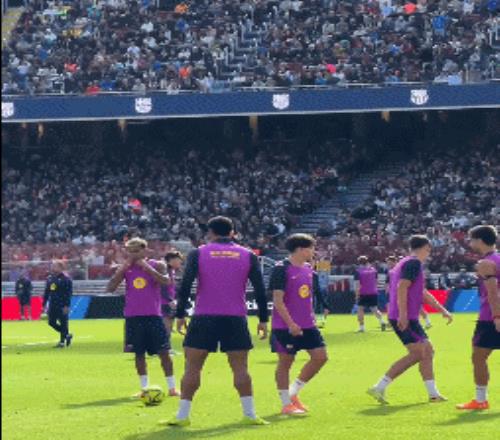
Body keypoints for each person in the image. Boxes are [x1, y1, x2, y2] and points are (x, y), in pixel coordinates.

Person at [167, 216, 269, 427]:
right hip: (235, 317)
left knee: (192, 367)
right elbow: (260, 288)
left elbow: (186, 285)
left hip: (204, 316)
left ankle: (182, 416)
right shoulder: (248, 254)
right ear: (232, 232)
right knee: (240, 367)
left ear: (210, 232)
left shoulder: (199, 253)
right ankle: (250, 415)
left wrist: (180, 314)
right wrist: (263, 319)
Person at [367, 235, 453, 404]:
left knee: (427, 351)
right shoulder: (413, 263)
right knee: (419, 353)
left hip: (408, 316)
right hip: (404, 316)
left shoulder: (405, 263)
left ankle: (433, 394)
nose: (429, 253)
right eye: (429, 249)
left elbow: (422, 292)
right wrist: (403, 315)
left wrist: (442, 310)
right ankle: (380, 386)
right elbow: (402, 287)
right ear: (425, 247)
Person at [107, 238, 180, 398]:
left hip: (153, 316)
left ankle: (172, 388)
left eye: (136, 251)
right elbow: (110, 288)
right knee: (138, 354)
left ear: (145, 250)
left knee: (164, 352)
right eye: (130, 251)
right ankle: (144, 388)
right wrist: (122, 269)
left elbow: (166, 281)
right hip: (133, 316)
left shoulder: (157, 264)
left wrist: (147, 268)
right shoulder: (126, 268)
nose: (133, 254)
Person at [269, 234, 329, 415]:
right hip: (285, 326)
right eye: (311, 248)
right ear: (301, 249)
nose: (313, 252)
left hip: (308, 325)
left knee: (320, 357)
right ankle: (286, 403)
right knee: (285, 362)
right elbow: (278, 301)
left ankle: (293, 392)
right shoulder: (281, 269)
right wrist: (291, 323)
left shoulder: (309, 269)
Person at [457, 225, 500, 410]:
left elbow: (492, 291)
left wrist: (497, 316)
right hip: (492, 315)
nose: (470, 243)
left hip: (490, 317)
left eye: (472, 239)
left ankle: (481, 400)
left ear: (480, 240)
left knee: (478, 357)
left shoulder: (486, 263)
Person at [42, 260, 73, 348]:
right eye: (52, 266)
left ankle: (62, 342)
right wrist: (44, 304)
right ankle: (67, 335)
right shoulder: (50, 278)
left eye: (54, 266)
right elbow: (47, 292)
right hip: (53, 304)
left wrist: (67, 305)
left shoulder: (66, 279)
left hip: (62, 304)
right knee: (51, 322)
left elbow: (68, 293)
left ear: (61, 268)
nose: (52, 267)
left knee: (63, 322)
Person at [354, 256, 387, 332]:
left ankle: (362, 327)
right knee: (374, 309)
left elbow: (357, 285)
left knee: (360, 309)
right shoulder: (373, 270)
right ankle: (382, 321)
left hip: (363, 293)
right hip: (373, 292)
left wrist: (356, 295)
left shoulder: (358, 271)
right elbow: (376, 281)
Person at [161, 251, 184, 335]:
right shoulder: (165, 271)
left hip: (169, 302)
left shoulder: (171, 271)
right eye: (178, 259)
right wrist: (170, 300)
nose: (180, 261)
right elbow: (162, 288)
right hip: (165, 303)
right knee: (166, 329)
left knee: (169, 329)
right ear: (171, 260)